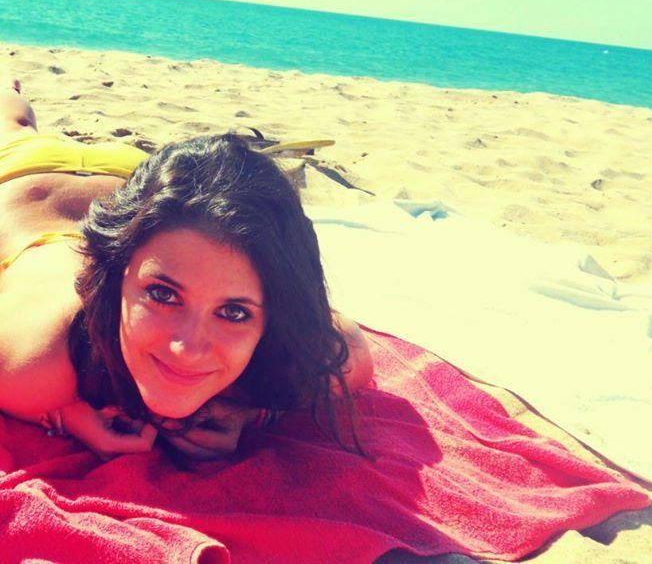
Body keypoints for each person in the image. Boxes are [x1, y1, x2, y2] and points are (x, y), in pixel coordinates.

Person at [0, 81, 373, 460]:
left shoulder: (278, 330)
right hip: (19, 172)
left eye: (234, 312)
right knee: (14, 124)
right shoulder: (41, 351)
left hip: (138, 180)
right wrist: (66, 415)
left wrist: (247, 412)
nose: (187, 350)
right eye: (163, 294)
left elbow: (353, 351)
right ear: (117, 278)